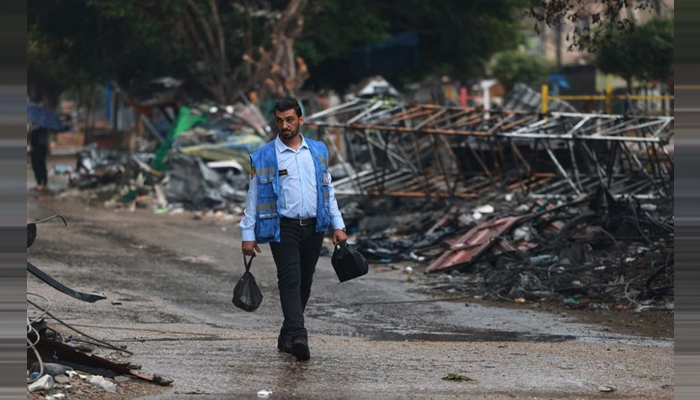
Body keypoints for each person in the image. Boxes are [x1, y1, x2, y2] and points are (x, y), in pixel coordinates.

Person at [239, 95, 347, 361]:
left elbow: (327, 190)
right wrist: (248, 235)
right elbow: (254, 197)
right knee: (290, 279)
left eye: (289, 120)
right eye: (279, 121)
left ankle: (287, 334)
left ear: (301, 120)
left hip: (314, 227)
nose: (284, 126)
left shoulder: (318, 151)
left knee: (305, 283)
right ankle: (299, 335)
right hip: (282, 228)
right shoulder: (264, 156)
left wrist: (338, 225)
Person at [28, 123, 50, 191]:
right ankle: (44, 183)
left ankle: (40, 183)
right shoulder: (44, 126)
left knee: (36, 165)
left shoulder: (36, 128)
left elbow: (33, 138)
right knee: (42, 164)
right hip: (43, 147)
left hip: (37, 147)